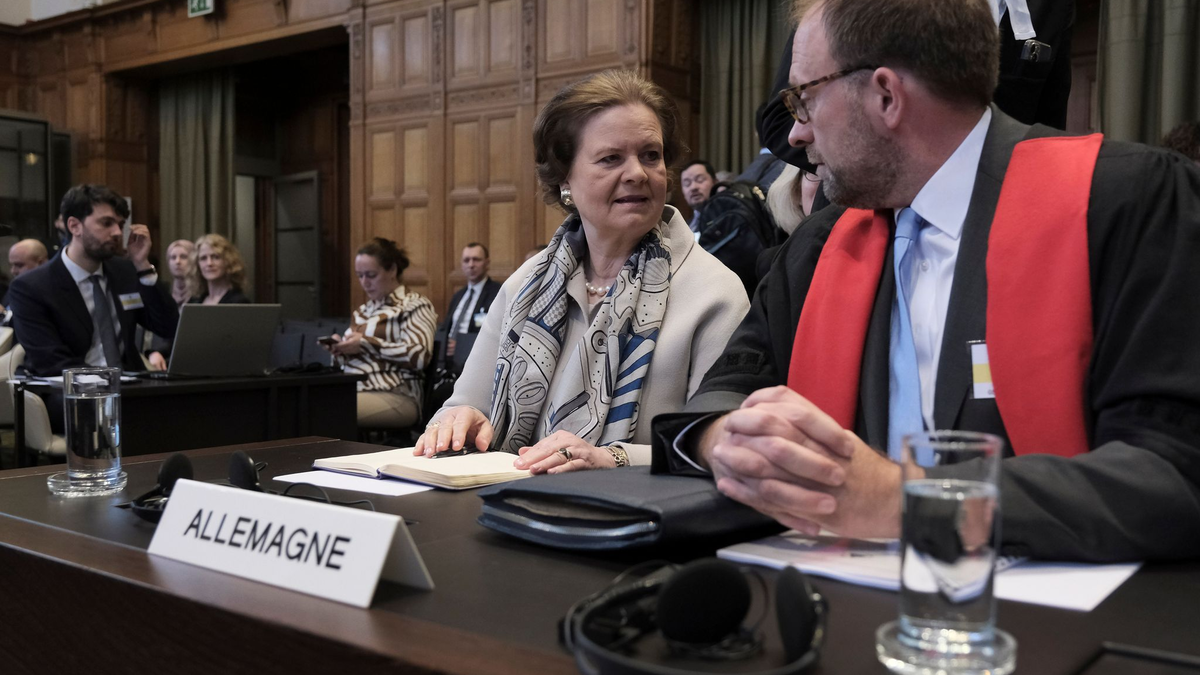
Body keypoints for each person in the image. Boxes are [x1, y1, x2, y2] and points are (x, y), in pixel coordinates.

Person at [652, 0, 1200, 563]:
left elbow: (1174, 472)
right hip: (835, 613)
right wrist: (727, 442)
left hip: (1060, 628)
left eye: (803, 98)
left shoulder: (1125, 202)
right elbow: (719, 396)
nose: (794, 133)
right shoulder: (816, 250)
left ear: (886, 96)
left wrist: (906, 501)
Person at [416, 69, 749, 474]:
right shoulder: (525, 284)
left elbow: (722, 447)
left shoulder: (715, 292)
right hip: (505, 506)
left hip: (639, 521)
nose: (638, 173)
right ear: (563, 180)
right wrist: (458, 422)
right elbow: (462, 405)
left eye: (651, 155)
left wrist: (615, 458)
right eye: (611, 158)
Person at [9, 184, 179, 428]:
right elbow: (50, 360)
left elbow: (167, 326)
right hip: (70, 392)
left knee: (181, 409)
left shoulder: (125, 272)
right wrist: (110, 382)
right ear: (74, 226)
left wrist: (143, 266)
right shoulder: (32, 287)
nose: (117, 232)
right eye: (106, 223)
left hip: (130, 388)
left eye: (120, 224)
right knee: (119, 415)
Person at [323, 238, 437, 429]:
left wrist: (367, 343)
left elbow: (419, 356)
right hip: (354, 389)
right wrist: (340, 351)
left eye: (371, 275)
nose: (364, 283)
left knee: (325, 410)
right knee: (307, 404)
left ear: (392, 270)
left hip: (397, 394)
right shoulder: (362, 311)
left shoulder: (415, 305)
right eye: (360, 276)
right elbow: (349, 363)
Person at [144, 238, 195, 370]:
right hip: (157, 359)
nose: (177, 262)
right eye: (173, 257)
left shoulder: (200, 295)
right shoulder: (163, 292)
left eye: (183, 257)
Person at [187, 233, 250, 304]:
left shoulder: (238, 302)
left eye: (215, 257)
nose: (209, 263)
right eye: (203, 258)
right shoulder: (194, 301)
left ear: (228, 260)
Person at [680, 160, 717, 231]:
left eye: (700, 180)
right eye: (687, 183)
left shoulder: (728, 218)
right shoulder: (684, 229)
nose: (693, 187)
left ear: (715, 182)